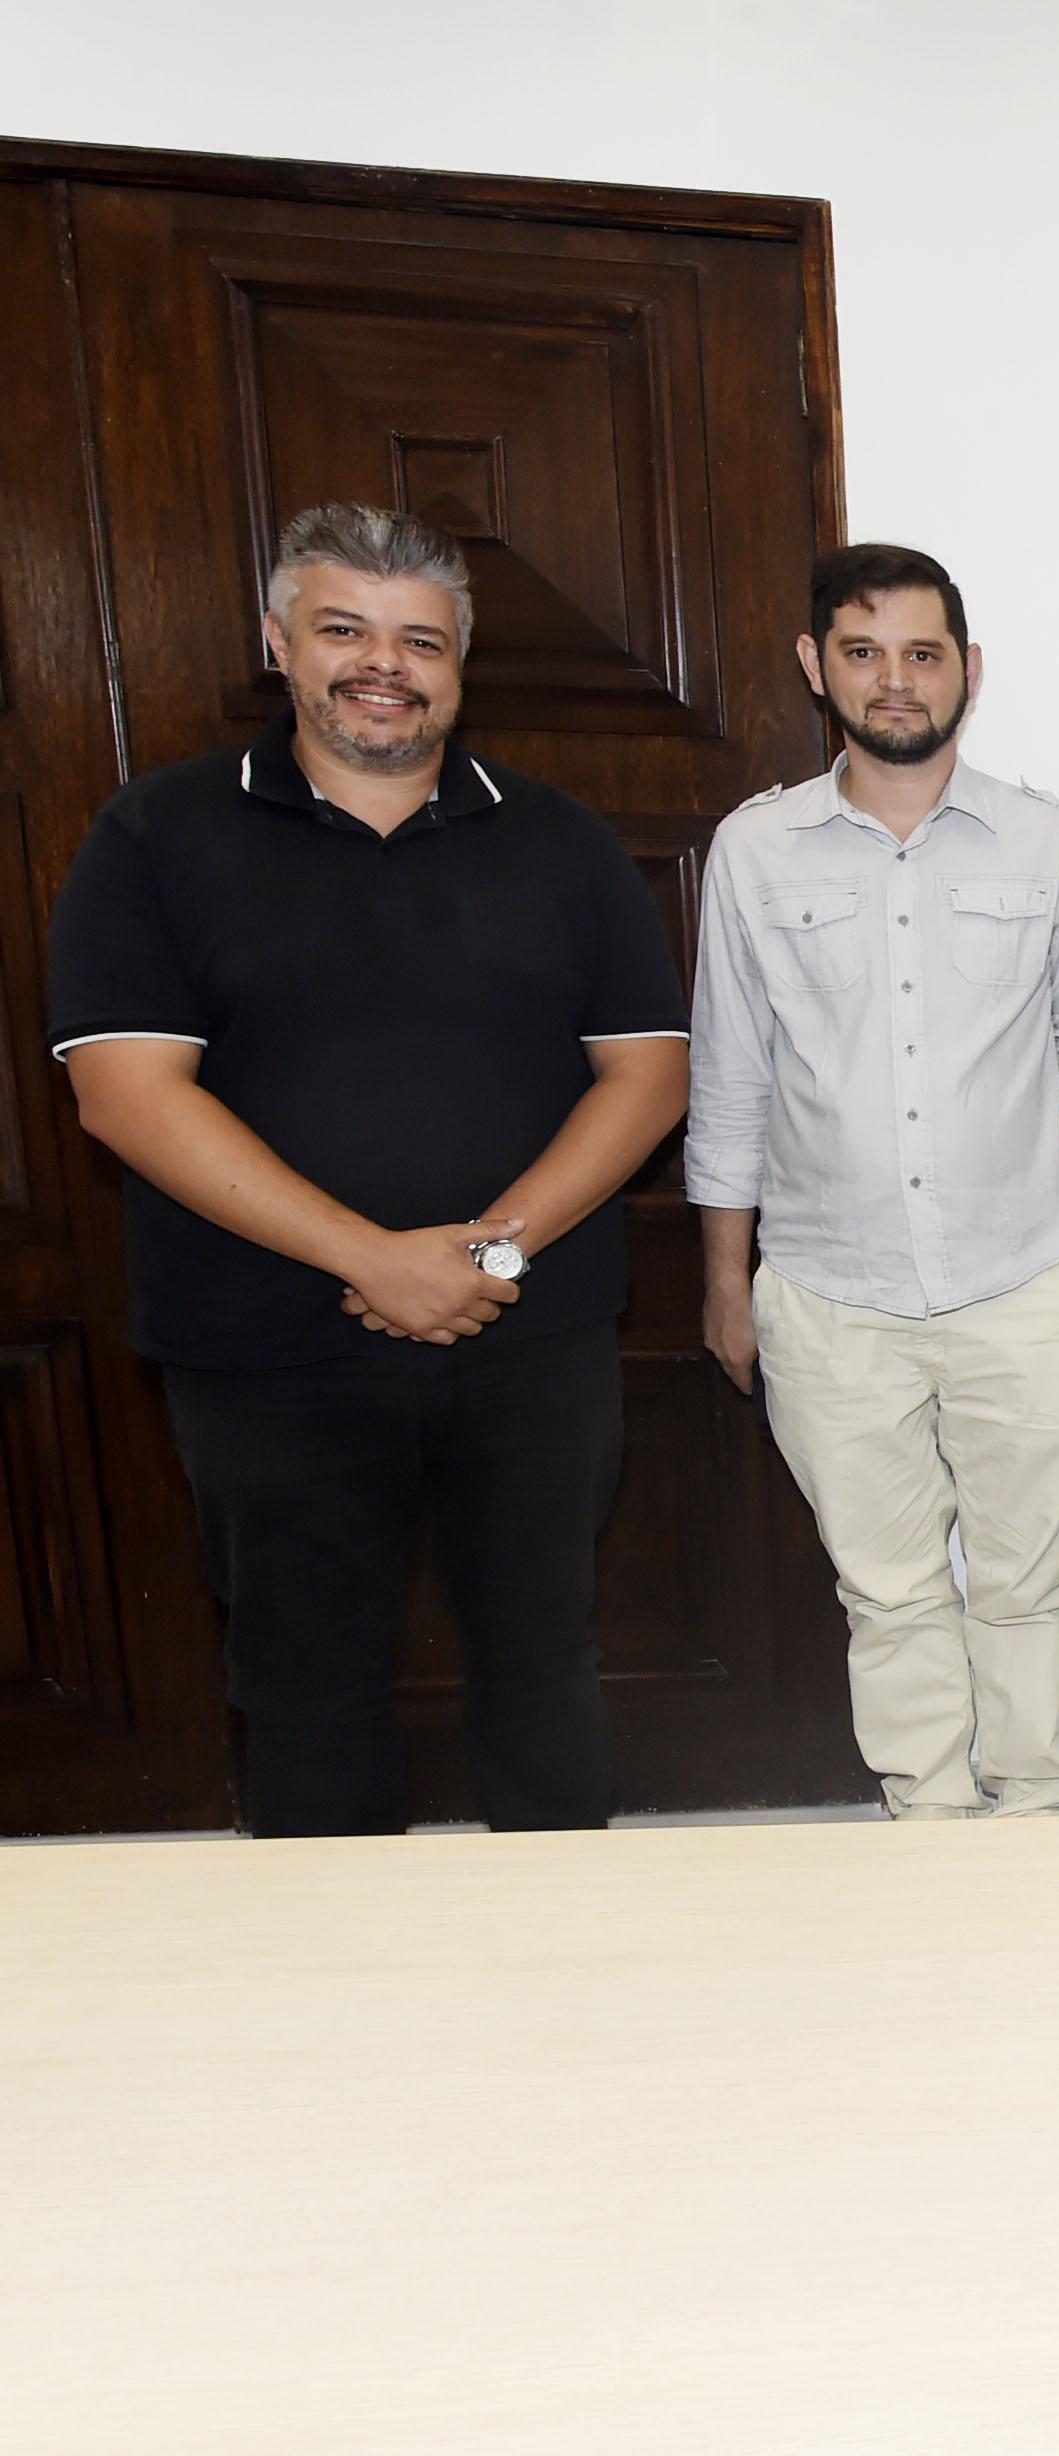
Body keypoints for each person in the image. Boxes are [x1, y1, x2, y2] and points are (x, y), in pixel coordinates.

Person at [43, 503, 690, 1837]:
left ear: (460, 665)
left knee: (548, 1675)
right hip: (265, 1349)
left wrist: (488, 1254)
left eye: (421, 640)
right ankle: (326, 1971)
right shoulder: (155, 835)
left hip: (529, 1339)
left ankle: (567, 1955)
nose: (384, 664)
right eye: (345, 630)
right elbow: (125, 1094)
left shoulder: (562, 842)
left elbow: (647, 1076)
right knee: (305, 1694)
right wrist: (372, 1258)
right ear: (278, 642)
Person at [689, 544, 1059, 1819]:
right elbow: (730, 1076)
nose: (896, 679)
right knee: (886, 1594)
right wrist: (728, 1282)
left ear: (967, 669)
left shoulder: (1050, 842)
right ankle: (930, 1830)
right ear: (815, 665)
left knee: (1027, 1586)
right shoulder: (755, 850)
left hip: (1023, 1283)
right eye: (864, 651)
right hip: (831, 1296)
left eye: (923, 652)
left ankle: (1039, 1822)